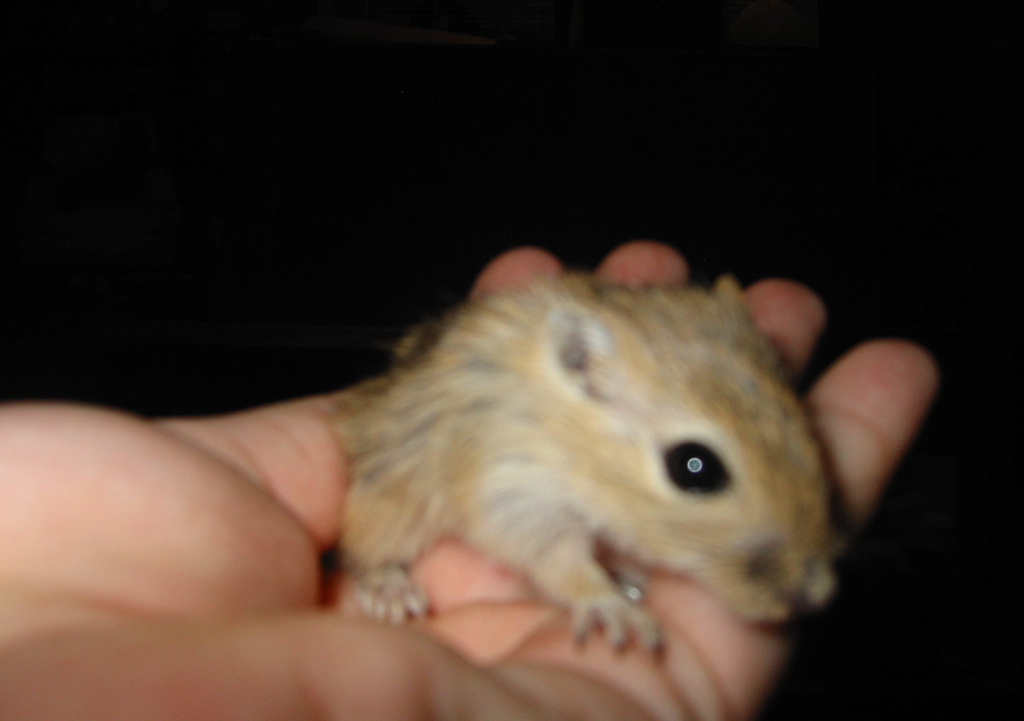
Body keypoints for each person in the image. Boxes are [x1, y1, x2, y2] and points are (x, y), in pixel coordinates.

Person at [0, 241, 939, 720]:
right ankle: (376, 568)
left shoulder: (649, 381)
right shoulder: (532, 416)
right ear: (581, 371)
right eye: (696, 469)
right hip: (413, 482)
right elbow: (515, 516)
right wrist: (582, 585)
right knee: (392, 509)